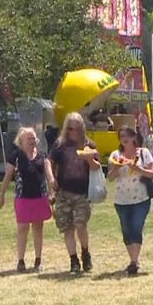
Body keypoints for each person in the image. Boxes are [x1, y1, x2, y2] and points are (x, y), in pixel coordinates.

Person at [48, 112, 101, 273]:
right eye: (70, 129)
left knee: (80, 224)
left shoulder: (89, 145)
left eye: (77, 129)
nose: (74, 132)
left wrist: (89, 158)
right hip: (63, 191)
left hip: (82, 193)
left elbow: (97, 167)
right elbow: (48, 161)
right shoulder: (60, 145)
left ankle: (85, 252)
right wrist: (51, 179)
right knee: (67, 228)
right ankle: (73, 260)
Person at [0, 127, 54, 272]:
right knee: (22, 229)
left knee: (38, 229)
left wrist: (52, 191)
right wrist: (1, 195)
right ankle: (21, 260)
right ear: (21, 141)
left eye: (33, 138)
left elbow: (49, 176)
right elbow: (8, 176)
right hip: (22, 198)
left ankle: (38, 260)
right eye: (28, 138)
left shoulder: (42, 156)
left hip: (39, 198)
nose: (31, 141)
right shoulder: (15, 156)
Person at [106, 126, 153, 275]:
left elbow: (152, 173)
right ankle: (133, 258)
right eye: (121, 136)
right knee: (126, 229)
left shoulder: (143, 153)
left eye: (127, 135)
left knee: (136, 227)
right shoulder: (115, 155)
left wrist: (136, 168)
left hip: (141, 198)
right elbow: (110, 178)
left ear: (134, 137)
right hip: (121, 199)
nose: (124, 138)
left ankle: (134, 261)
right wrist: (116, 167)